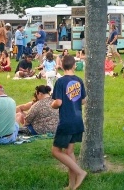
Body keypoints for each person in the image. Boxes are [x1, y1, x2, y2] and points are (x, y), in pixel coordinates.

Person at [51, 55, 86, 190]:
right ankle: (71, 185)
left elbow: (58, 102)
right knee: (69, 152)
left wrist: (52, 105)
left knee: (55, 151)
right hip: (78, 120)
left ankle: (80, 172)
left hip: (66, 121)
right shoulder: (79, 80)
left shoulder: (60, 82)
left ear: (61, 66)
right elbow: (83, 100)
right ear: (74, 66)